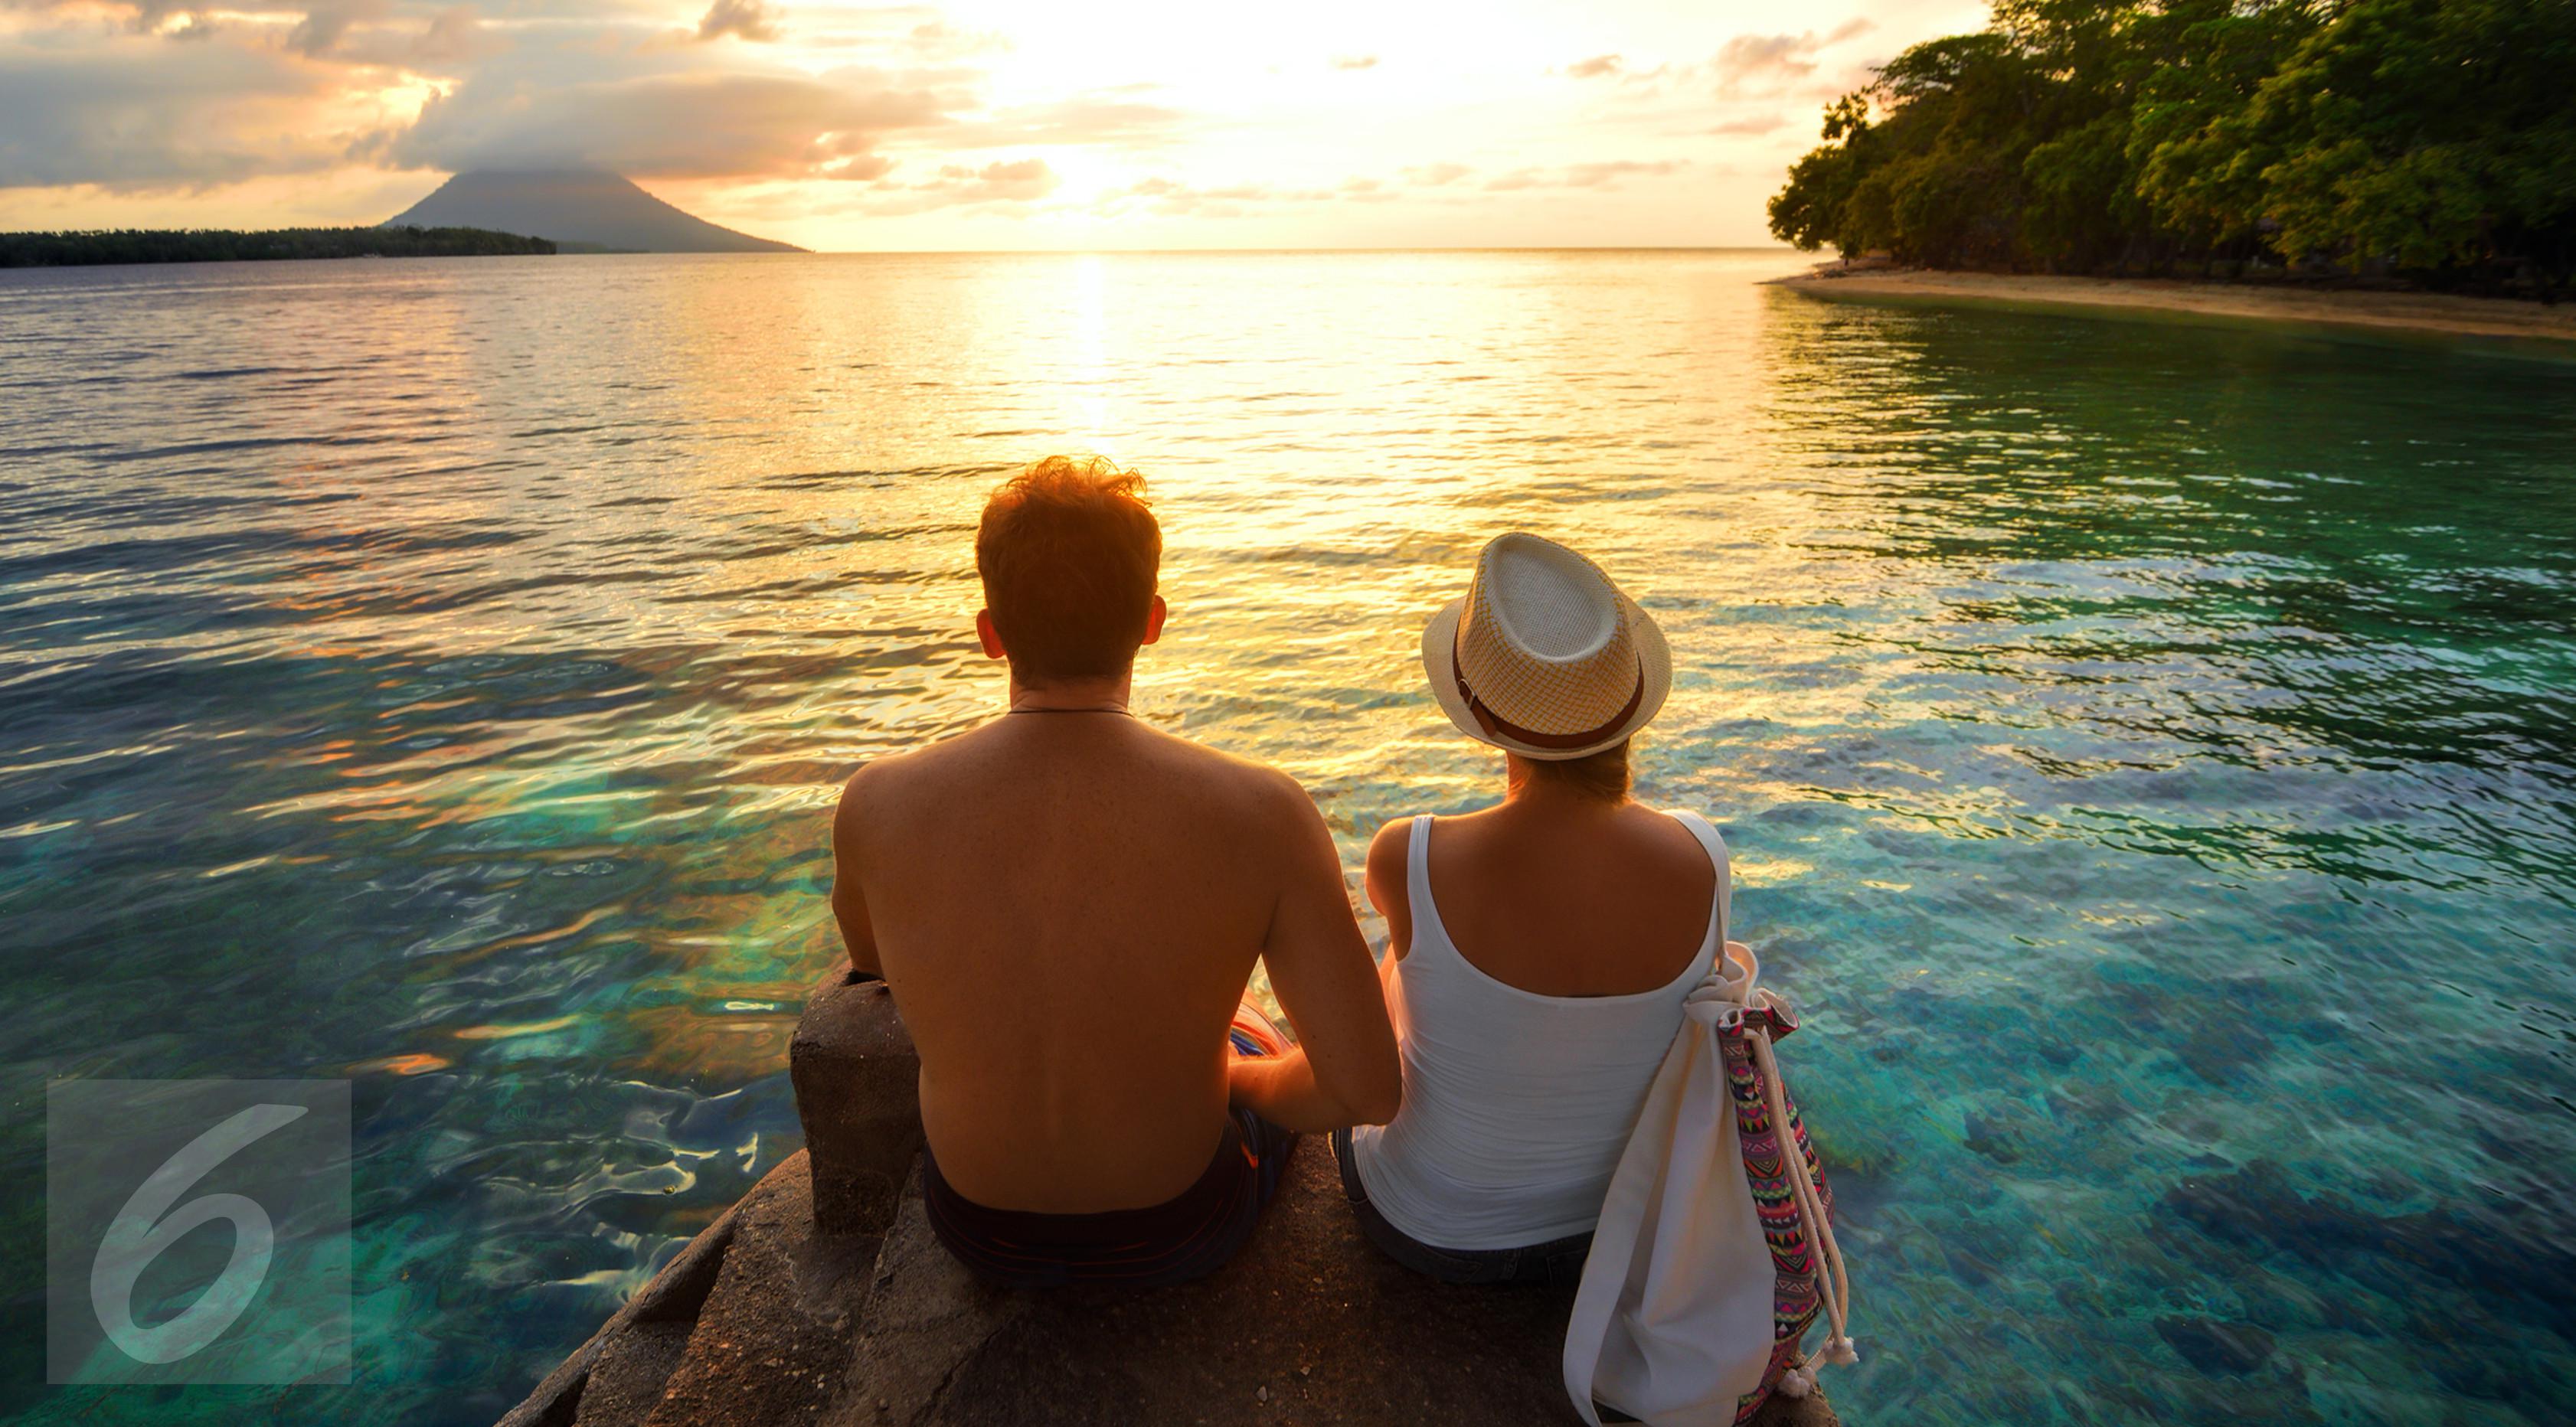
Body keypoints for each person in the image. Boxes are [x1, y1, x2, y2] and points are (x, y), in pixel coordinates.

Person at [830, 456, 1401, 1290]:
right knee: (1247, 1020)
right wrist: (1237, 1075)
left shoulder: (876, 803)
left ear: (990, 632)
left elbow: (873, 963)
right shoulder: (1262, 810)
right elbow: (1363, 1090)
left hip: (976, 1228)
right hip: (1179, 1225)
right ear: (1151, 620)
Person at [1335, 531, 1734, 1287]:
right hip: (1607, 1233)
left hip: (1429, 1225)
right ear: (1630, 703)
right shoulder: (1702, 858)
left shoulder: (1410, 856)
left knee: (1398, 964)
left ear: (1479, 713)